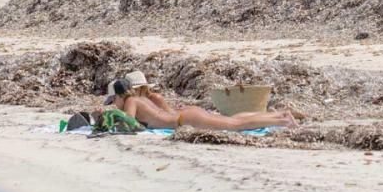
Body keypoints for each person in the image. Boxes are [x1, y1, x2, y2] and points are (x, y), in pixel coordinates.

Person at [106, 78, 295, 131]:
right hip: (186, 115)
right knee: (233, 121)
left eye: (113, 100)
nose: (114, 104)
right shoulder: (141, 99)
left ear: (120, 96)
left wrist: (107, 117)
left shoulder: (131, 101)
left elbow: (130, 123)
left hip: (186, 119)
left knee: (236, 125)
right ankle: (278, 116)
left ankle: (282, 121)